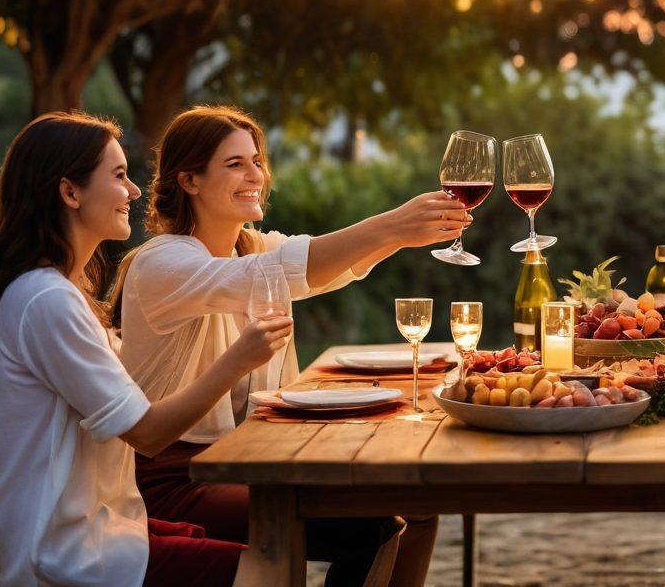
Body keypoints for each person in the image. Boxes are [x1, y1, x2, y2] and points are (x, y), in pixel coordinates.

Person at [114, 105, 465, 587]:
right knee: (372, 528)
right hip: (172, 479)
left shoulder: (251, 246)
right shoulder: (163, 262)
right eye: (234, 164)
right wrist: (393, 226)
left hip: (243, 458)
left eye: (256, 160)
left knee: (419, 510)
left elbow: (326, 266)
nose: (255, 173)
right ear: (189, 180)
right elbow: (294, 270)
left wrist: (400, 238)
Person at [0, 112, 292, 586]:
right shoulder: (47, 301)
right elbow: (147, 434)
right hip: (64, 552)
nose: (135, 191)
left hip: (104, 527)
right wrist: (238, 361)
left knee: (267, 546)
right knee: (269, 569)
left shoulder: (58, 294)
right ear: (70, 192)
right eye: (120, 176)